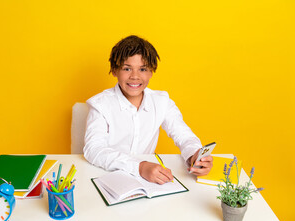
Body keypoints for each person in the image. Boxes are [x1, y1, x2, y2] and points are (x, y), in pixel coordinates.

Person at [83, 35, 213, 184]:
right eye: (127, 68)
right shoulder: (100, 104)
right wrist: (139, 167)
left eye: (143, 69)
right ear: (114, 70)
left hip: (147, 181)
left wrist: (195, 154)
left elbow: (184, 136)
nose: (135, 76)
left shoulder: (161, 101)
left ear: (151, 72)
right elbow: (94, 149)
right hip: (106, 174)